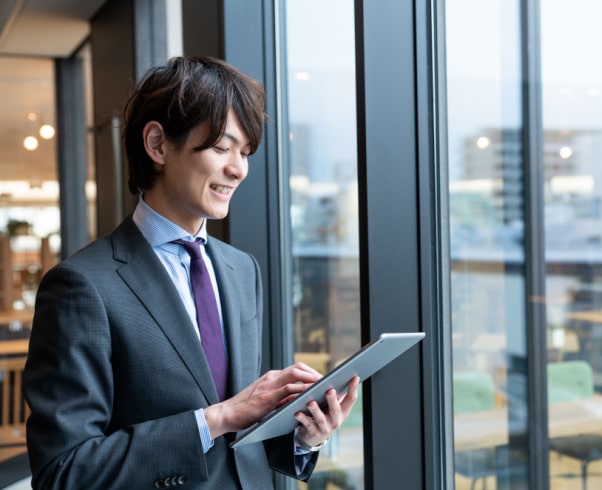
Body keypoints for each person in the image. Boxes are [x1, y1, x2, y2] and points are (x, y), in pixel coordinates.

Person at [23, 56, 359, 489]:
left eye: (245, 152)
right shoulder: (83, 286)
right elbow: (63, 472)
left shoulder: (241, 269)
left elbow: (240, 440)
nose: (238, 169)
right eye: (222, 148)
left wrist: (304, 439)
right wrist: (216, 418)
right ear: (158, 144)